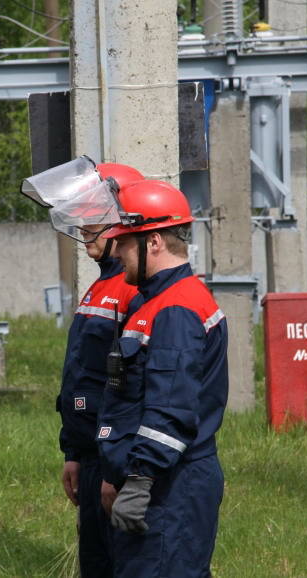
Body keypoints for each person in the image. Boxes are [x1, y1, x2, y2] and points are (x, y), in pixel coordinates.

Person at [96, 179, 228, 576]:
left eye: (123, 241)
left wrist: (138, 480)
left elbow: (170, 410)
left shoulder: (175, 310)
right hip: (159, 482)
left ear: (152, 242)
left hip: (168, 487)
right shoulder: (155, 301)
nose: (116, 251)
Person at [22, 158, 143, 577]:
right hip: (91, 453)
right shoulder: (103, 283)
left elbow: (132, 390)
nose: (83, 228)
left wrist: (117, 468)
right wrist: (73, 452)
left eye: (94, 219)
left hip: (116, 458)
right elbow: (82, 375)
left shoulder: (134, 289)